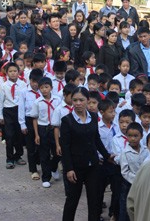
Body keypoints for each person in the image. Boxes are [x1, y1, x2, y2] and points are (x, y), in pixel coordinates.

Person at [60, 87, 114, 221]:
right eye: (75, 100)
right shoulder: (67, 120)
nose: (78, 103)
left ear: (87, 101)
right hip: (75, 167)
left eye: (81, 100)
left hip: (93, 166)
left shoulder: (94, 117)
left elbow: (96, 140)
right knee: (72, 200)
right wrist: (69, 169)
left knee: (94, 201)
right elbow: (65, 147)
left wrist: (107, 156)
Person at [0, 62, 28, 169]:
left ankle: (18, 155)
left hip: (19, 111)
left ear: (19, 72)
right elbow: (0, 101)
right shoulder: (4, 86)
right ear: (6, 73)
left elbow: (25, 100)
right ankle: (9, 158)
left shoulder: (23, 84)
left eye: (15, 71)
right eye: (10, 71)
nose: (13, 73)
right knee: (9, 136)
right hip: (8, 111)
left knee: (19, 135)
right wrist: (0, 116)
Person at [32, 77, 62, 188]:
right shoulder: (37, 102)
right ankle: (46, 177)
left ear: (51, 88)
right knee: (44, 153)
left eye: (46, 87)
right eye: (42, 88)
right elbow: (35, 118)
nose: (44, 90)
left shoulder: (57, 100)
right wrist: (36, 134)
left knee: (58, 152)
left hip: (54, 128)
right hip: (42, 128)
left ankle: (54, 167)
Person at [119, 122, 149, 221]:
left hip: (145, 184)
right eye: (130, 136)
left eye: (136, 136)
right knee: (127, 208)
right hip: (130, 184)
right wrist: (136, 180)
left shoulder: (146, 150)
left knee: (142, 207)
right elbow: (125, 171)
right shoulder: (125, 152)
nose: (132, 138)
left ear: (141, 136)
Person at [17, 68, 43, 180]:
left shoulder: (44, 91)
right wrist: (22, 124)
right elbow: (21, 109)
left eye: (38, 82)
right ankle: (33, 170)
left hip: (42, 120)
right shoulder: (24, 92)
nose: (36, 85)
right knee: (31, 146)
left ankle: (42, 164)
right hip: (29, 120)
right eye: (34, 82)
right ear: (30, 80)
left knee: (42, 145)